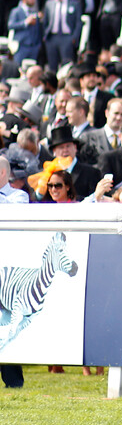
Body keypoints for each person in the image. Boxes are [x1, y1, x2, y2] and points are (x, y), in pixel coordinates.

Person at [0, 155, 27, 388]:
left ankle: (13, 382)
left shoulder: (18, 197)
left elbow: (14, 218)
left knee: (6, 326)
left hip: (7, 273)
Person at [44, 125, 101, 199]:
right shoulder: (49, 173)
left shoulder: (91, 173)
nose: (65, 150)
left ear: (75, 148)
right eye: (61, 147)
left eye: (68, 146)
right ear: (54, 151)